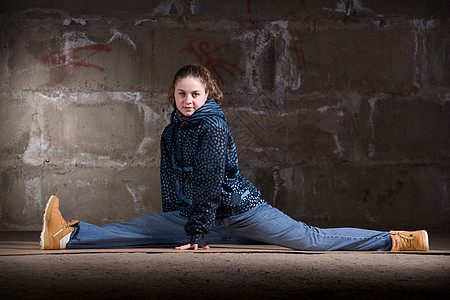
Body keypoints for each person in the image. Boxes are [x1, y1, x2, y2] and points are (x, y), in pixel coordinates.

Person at [40, 64, 429, 252]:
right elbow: (170, 179)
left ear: (208, 95)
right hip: (201, 218)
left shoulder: (212, 127)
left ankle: (399, 240)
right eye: (181, 94)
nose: (188, 100)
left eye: (195, 94)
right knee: (139, 229)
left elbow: (209, 181)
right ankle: (68, 235)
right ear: (172, 96)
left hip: (243, 213)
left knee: (310, 239)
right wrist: (181, 222)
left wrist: (194, 235)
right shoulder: (171, 131)